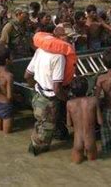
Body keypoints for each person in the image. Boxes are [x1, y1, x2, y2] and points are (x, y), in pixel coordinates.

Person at [25, 27, 74, 156]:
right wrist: (68, 100)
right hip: (50, 101)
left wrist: (37, 88)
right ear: (59, 37)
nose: (71, 41)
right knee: (42, 139)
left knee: (41, 125)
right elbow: (57, 89)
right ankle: (34, 159)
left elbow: (27, 76)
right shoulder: (59, 57)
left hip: (38, 96)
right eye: (69, 37)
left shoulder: (41, 50)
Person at [66, 77, 103, 163]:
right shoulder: (94, 101)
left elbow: (68, 123)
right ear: (87, 88)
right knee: (93, 165)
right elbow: (100, 121)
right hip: (90, 141)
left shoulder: (69, 104)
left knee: (76, 165)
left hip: (77, 141)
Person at [0, 47, 14, 134]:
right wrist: (17, 97)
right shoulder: (9, 76)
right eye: (11, 57)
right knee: (7, 136)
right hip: (6, 106)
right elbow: (9, 96)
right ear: (7, 60)